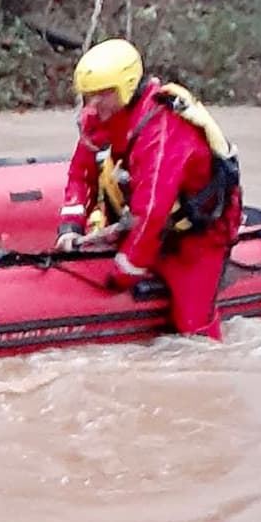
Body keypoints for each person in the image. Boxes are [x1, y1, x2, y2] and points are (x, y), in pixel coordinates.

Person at [54, 38, 242, 341]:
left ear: (126, 87)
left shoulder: (163, 129)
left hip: (195, 236)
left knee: (193, 327)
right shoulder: (99, 119)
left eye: (103, 94)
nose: (94, 103)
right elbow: (80, 175)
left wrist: (125, 269)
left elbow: (152, 210)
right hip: (142, 222)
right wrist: (69, 227)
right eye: (88, 96)